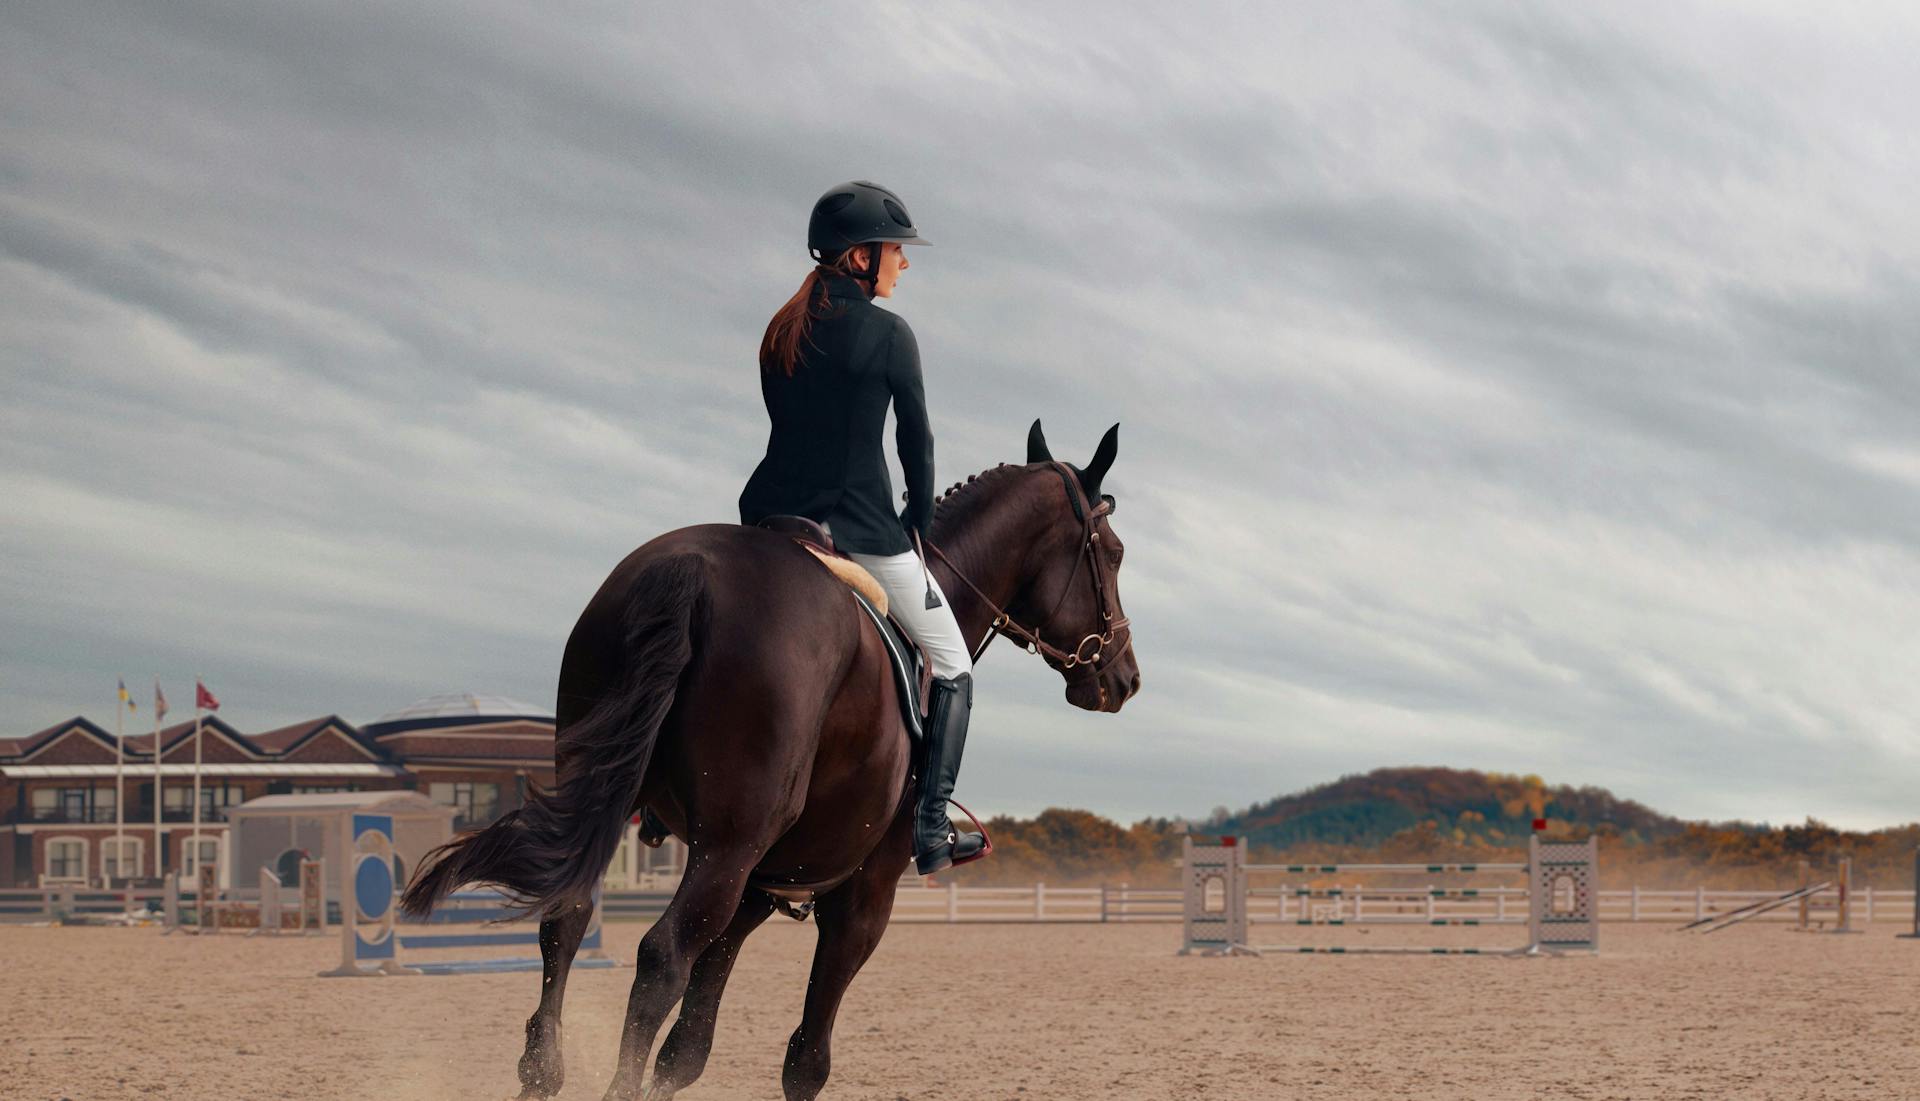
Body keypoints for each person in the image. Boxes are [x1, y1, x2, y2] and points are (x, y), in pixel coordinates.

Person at [739, 180, 986, 875]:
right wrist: (918, 515)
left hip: (768, 518)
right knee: (954, 660)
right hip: (858, 529)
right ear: (858, 257)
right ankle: (932, 829)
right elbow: (917, 443)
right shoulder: (887, 335)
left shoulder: (781, 329)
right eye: (895, 251)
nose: (902, 264)